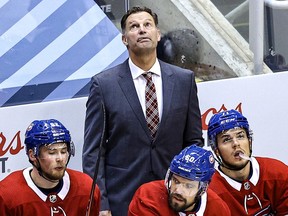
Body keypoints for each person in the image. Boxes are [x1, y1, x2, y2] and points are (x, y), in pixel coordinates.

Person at [82, 6, 203, 216]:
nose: (141, 30)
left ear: (158, 34)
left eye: (147, 25)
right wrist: (101, 204)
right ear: (124, 39)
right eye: (134, 26)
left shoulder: (184, 80)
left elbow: (193, 141)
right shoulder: (103, 85)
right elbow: (94, 152)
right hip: (123, 199)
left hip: (174, 197)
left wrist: (191, 189)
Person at [0, 119, 100, 216]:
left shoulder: (87, 188)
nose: (60, 158)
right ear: (32, 155)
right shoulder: (7, 195)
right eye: (52, 153)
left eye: (64, 151)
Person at [207, 109, 288, 215]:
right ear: (216, 150)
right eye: (226, 139)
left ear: (249, 142)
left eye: (240, 136)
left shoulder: (278, 173)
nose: (236, 143)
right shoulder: (210, 191)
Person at [128, 145, 231, 215]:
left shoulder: (218, 209)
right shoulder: (148, 197)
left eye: (188, 186)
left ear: (203, 189)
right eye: (176, 181)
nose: (178, 190)